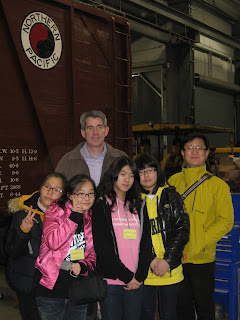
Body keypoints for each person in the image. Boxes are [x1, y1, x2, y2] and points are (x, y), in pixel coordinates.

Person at [168, 132, 234, 320]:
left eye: (199, 148)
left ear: (206, 154)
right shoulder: (172, 182)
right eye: (190, 148)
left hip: (202, 259)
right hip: (176, 258)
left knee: (204, 307)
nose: (194, 152)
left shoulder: (218, 186)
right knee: (181, 308)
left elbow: (225, 221)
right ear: (182, 153)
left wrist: (200, 243)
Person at [91, 156, 152, 320]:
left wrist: (139, 276)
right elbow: (103, 248)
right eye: (123, 174)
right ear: (114, 175)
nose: (127, 179)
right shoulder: (101, 204)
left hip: (136, 281)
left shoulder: (139, 204)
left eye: (131, 175)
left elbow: (147, 242)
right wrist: (126, 277)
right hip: (112, 280)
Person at [134, 153, 190, 320]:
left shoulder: (171, 196)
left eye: (150, 170)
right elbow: (132, 238)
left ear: (157, 172)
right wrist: (150, 260)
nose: (146, 175)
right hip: (144, 270)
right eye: (141, 172)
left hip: (170, 269)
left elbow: (183, 230)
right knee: (145, 314)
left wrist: (167, 260)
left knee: (169, 314)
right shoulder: (133, 201)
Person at [5, 172, 67, 320]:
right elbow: (11, 251)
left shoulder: (65, 216)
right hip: (28, 282)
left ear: (62, 194)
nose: (51, 193)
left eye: (57, 190)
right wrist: (23, 230)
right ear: (40, 187)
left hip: (55, 283)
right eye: (47, 187)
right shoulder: (23, 213)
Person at [35, 174, 96, 320]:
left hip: (79, 290)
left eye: (91, 193)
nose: (87, 198)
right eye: (81, 194)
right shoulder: (54, 212)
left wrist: (84, 266)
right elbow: (53, 242)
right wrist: (74, 217)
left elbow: (94, 252)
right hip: (51, 289)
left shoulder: (92, 217)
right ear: (70, 195)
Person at [55, 110, 127, 185]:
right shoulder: (67, 162)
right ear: (83, 133)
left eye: (99, 127)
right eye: (90, 128)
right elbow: (57, 190)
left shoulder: (121, 158)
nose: (95, 132)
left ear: (106, 131)